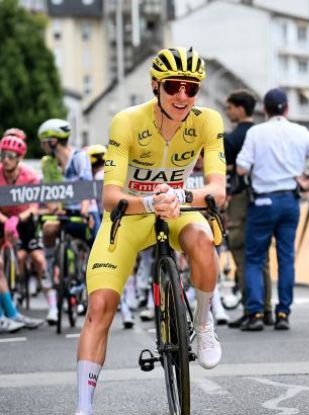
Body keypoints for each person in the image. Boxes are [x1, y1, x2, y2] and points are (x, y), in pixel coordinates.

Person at [74, 47, 226, 415]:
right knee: (100, 307)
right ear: (156, 85)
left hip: (177, 206)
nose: (182, 96)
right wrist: (148, 203)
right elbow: (110, 197)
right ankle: (83, 406)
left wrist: (179, 194)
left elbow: (217, 191)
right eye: (173, 86)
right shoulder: (127, 121)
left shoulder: (208, 122)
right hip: (130, 213)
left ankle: (203, 325)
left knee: (204, 242)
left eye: (191, 89)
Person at [236, 88, 309, 331]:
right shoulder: (300, 131)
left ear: (265, 110)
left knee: (254, 259)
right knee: (286, 258)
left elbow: (241, 168)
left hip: (262, 200)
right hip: (290, 199)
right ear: (287, 109)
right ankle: (283, 313)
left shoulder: (256, 132)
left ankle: (256, 312)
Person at [38, 119, 100, 325]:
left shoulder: (79, 157)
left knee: (97, 252)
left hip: (84, 211)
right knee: (48, 228)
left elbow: (85, 186)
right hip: (64, 212)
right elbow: (49, 190)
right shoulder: (48, 163)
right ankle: (49, 271)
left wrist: (84, 212)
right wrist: (54, 209)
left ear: (54, 141)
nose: (42, 145)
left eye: (44, 141)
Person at [223, 90, 274, 329]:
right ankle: (267, 309)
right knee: (261, 257)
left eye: (230, 107)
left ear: (241, 109)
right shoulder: (263, 134)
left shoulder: (232, 139)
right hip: (263, 197)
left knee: (241, 255)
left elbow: (225, 170)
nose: (227, 111)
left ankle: (250, 309)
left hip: (240, 199)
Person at [0, 134, 44, 330]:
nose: (5, 159)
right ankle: (5, 316)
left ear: (19, 158)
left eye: (10, 155)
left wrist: (17, 219)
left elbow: (34, 207)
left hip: (22, 219)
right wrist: (7, 220)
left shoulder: (30, 176)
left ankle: (11, 314)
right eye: (2, 155)